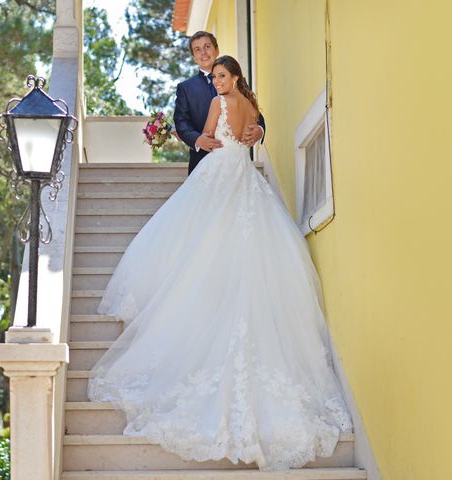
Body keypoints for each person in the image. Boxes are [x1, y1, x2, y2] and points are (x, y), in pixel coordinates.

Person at [87, 55, 352, 471]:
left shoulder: (219, 102)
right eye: (214, 77)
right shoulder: (250, 103)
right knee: (241, 237)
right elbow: (253, 133)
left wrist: (207, 137)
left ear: (233, 77)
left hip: (220, 170)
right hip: (244, 177)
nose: (216, 82)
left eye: (221, 76)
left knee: (196, 233)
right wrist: (254, 131)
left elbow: (210, 137)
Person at [175, 31, 265, 174]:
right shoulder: (185, 88)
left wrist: (260, 130)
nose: (203, 52)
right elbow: (181, 122)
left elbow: (254, 111)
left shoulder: (238, 81)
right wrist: (198, 140)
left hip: (236, 165)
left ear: (216, 50)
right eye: (197, 50)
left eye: (207, 46)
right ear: (193, 57)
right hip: (201, 164)